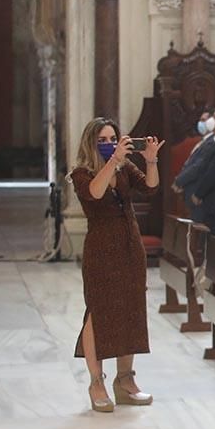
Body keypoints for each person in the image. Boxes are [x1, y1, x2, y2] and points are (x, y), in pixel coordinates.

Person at [69, 118, 163, 413]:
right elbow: (95, 193)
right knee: (98, 311)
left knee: (130, 309)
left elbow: (150, 187)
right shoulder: (82, 173)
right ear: (91, 142)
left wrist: (150, 161)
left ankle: (125, 380)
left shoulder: (125, 168)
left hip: (129, 244)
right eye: (103, 139)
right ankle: (97, 380)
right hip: (101, 247)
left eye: (113, 137)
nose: (110, 142)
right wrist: (112, 161)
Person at [174, 104, 215, 235]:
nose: (211, 120)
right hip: (206, 199)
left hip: (212, 199)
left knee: (210, 240)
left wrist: (199, 193)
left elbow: (213, 172)